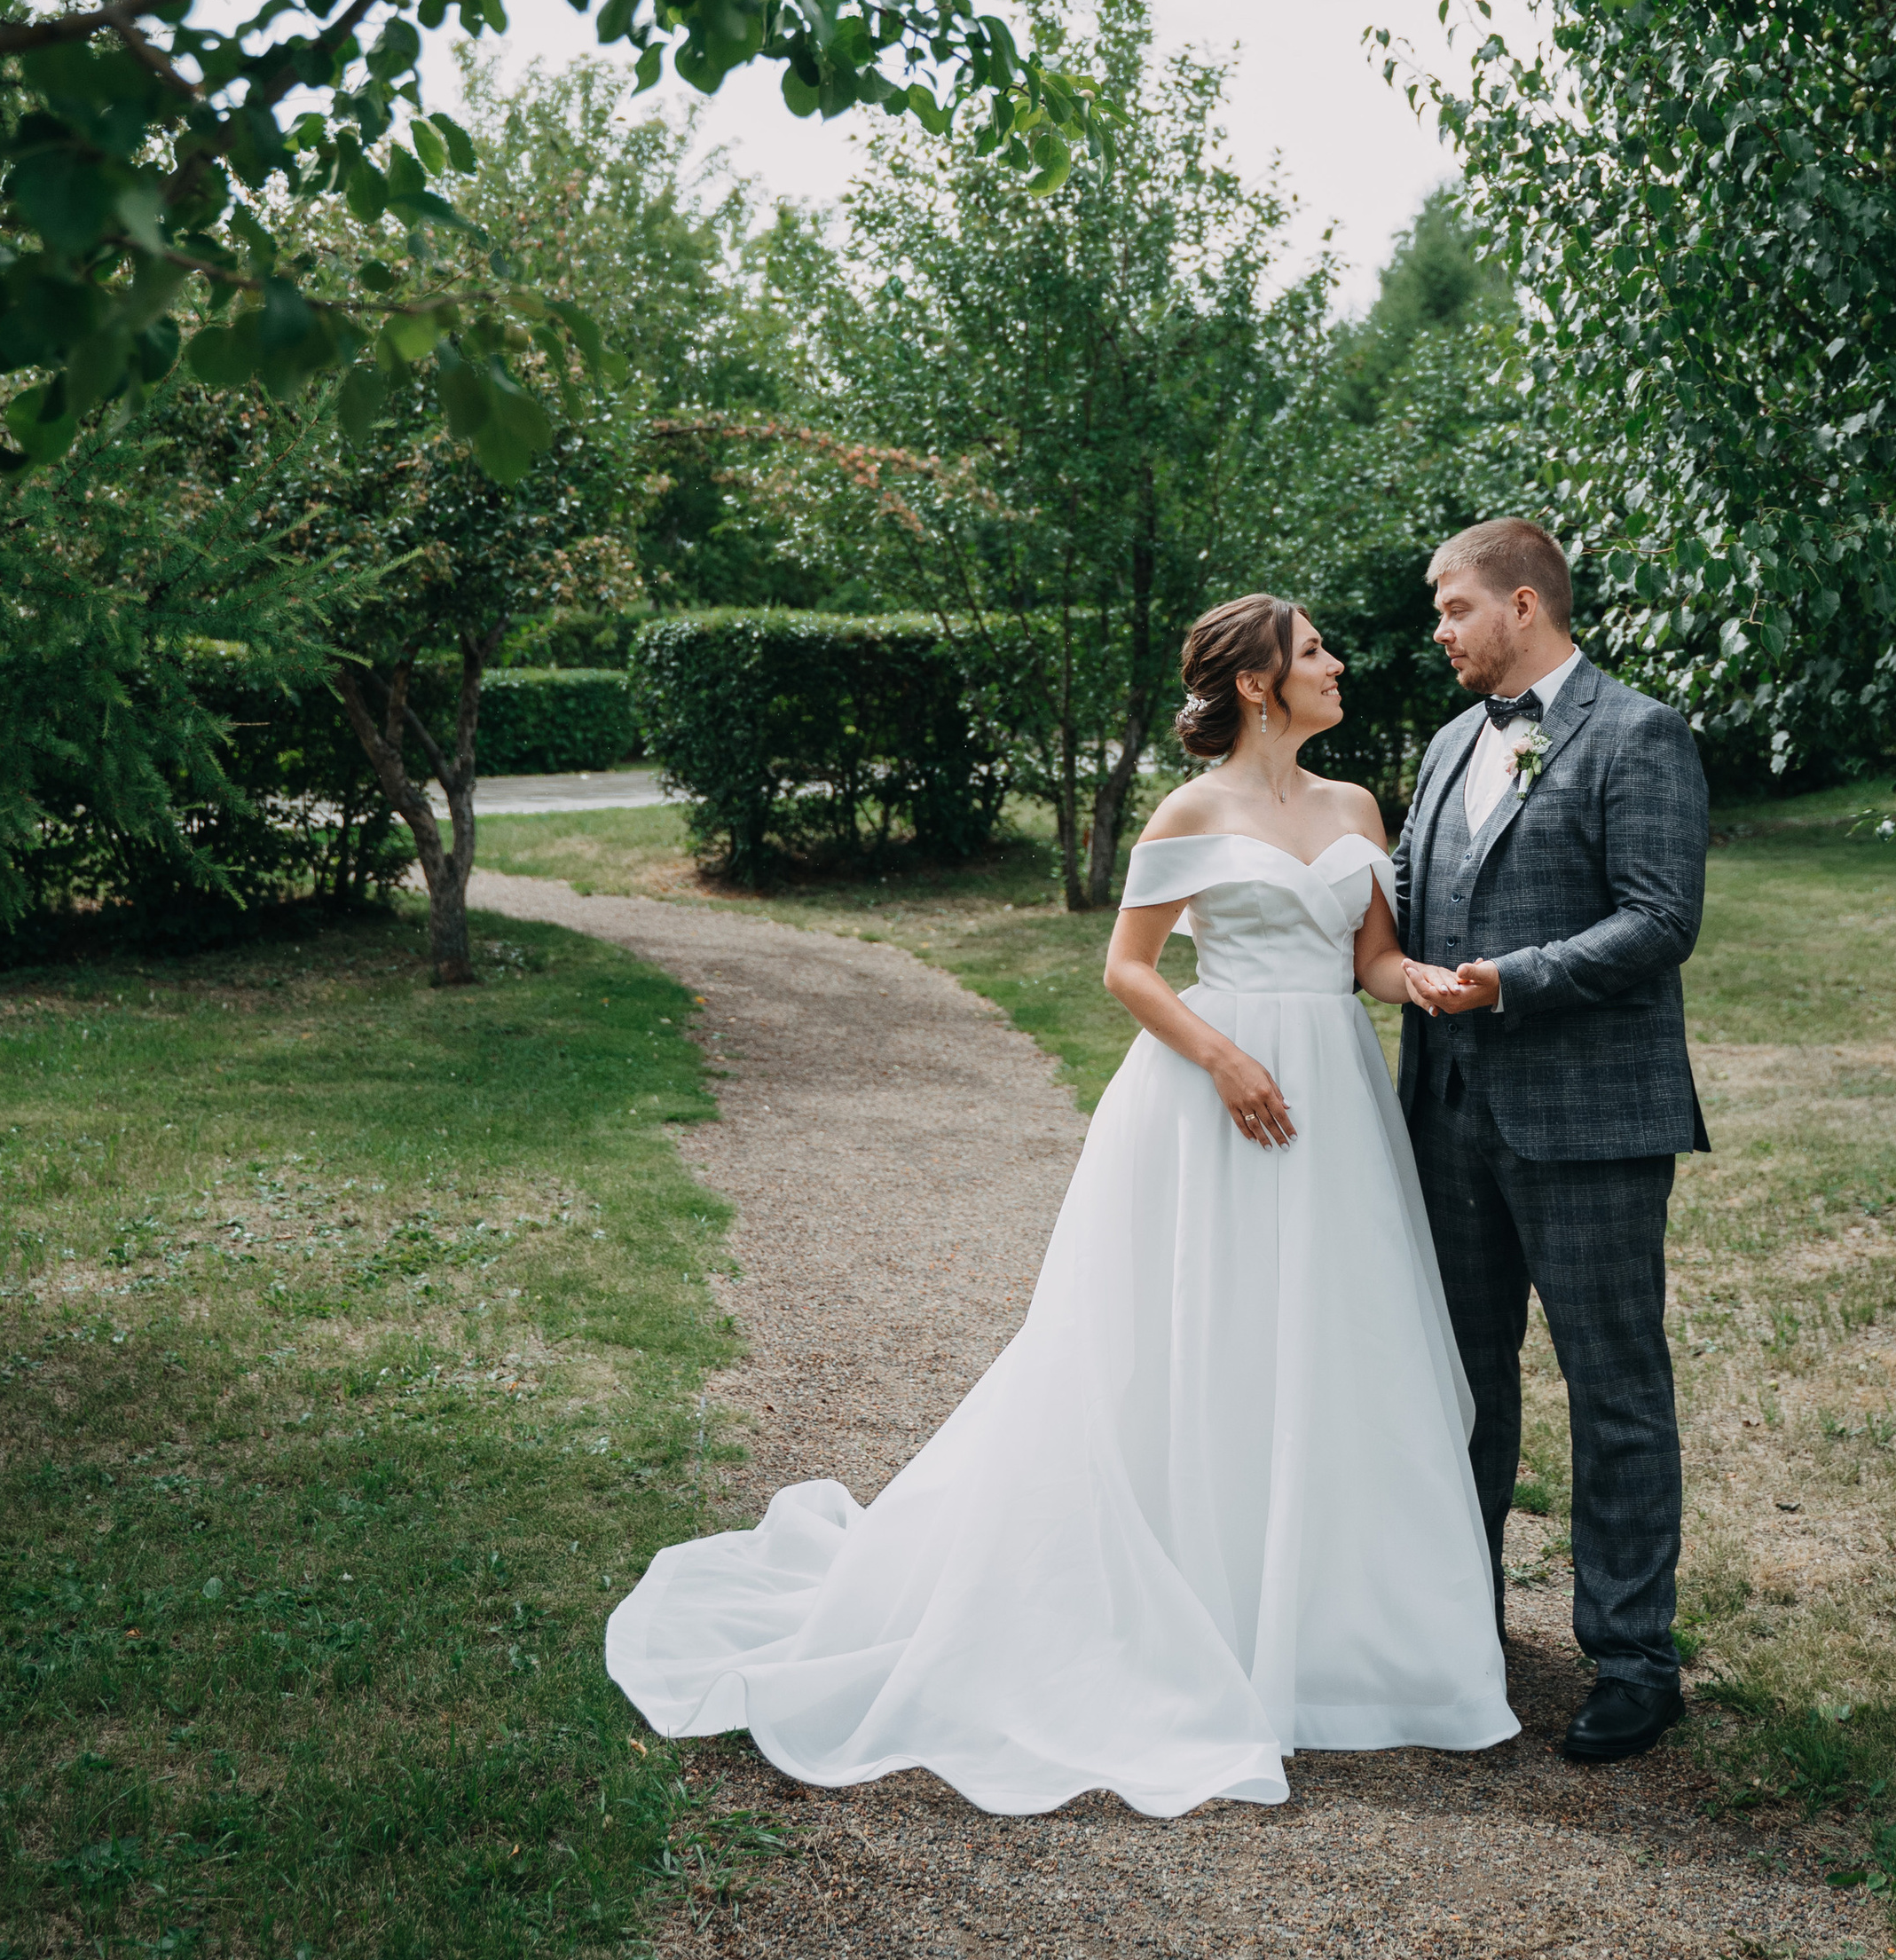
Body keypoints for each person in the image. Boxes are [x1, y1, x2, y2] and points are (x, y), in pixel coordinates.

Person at [606, 593, 1514, 1815]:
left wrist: (1429, 984)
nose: (1337, 664)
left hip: (1337, 1099)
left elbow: (1367, 960)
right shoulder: (1191, 812)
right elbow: (1127, 967)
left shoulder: (1356, 808)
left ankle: (1339, 1638)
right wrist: (1225, 1058)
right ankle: (1187, 1606)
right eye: (1313, 652)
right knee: (1194, 1339)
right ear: (1258, 682)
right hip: (1216, 1093)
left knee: (1332, 1341)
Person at [1395, 518, 1711, 1766]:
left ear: (1524, 607)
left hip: (1589, 1124)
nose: (1440, 629)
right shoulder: (1440, 749)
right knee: (1459, 1385)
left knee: (1616, 1390)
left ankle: (1634, 1661)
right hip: (1446, 1122)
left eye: (1454, 607)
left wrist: (1508, 981)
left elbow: (1660, 919)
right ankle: (1457, 1629)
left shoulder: (1639, 734)